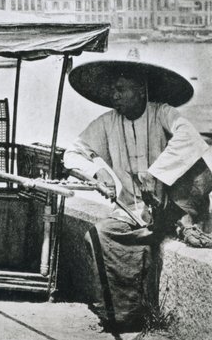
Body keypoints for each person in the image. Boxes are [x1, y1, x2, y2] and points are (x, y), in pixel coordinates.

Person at [64, 55, 212, 331]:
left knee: (201, 163)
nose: (114, 96)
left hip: (171, 207)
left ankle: (185, 223)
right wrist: (99, 171)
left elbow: (191, 138)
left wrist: (155, 172)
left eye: (121, 89)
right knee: (97, 234)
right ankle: (124, 314)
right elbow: (72, 153)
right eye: (112, 90)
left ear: (141, 90)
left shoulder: (162, 113)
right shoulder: (107, 122)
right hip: (134, 211)